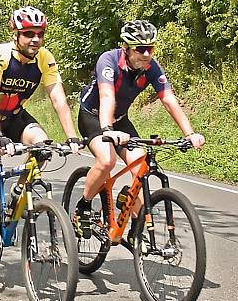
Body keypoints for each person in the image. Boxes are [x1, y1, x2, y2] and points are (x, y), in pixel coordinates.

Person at [0, 6, 81, 274]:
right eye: (28, 34)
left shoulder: (45, 58)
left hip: (17, 115)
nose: (35, 39)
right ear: (16, 34)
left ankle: (19, 191)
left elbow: (58, 99)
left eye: (39, 34)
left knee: (43, 148)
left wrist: (72, 136)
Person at [74, 19, 205, 238]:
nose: (146, 54)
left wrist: (189, 134)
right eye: (140, 49)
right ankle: (83, 206)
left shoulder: (152, 67)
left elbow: (169, 100)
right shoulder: (108, 60)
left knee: (140, 167)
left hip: (121, 120)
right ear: (125, 48)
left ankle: (134, 219)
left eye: (150, 49)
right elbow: (107, 96)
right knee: (107, 161)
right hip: (94, 117)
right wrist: (107, 129)